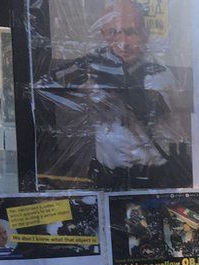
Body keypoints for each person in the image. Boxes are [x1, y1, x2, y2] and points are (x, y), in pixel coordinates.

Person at [37, 0, 190, 190]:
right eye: (112, 33)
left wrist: (113, 92)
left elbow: (164, 117)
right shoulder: (95, 70)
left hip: (152, 178)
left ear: (145, 34)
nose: (122, 42)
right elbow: (46, 87)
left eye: (130, 32)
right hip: (109, 176)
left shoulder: (159, 75)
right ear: (103, 35)